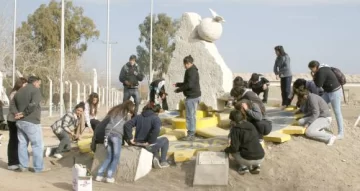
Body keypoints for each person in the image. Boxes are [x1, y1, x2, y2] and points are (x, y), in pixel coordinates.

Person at [95, 100, 135, 183]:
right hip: (116, 136)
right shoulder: (126, 114)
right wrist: (129, 139)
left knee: (109, 157)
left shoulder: (115, 111)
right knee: (116, 157)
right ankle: (109, 176)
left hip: (107, 134)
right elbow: (127, 127)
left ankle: (99, 175)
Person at [10, 76, 44, 173]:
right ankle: (38, 168)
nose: (39, 85)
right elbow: (33, 104)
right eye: (39, 83)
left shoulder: (19, 91)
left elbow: (12, 104)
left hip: (20, 122)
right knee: (37, 145)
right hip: (32, 122)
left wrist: (16, 113)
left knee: (22, 144)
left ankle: (23, 166)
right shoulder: (35, 90)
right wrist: (24, 113)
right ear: (35, 82)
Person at [124, 104, 170, 169]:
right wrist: (150, 141)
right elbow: (156, 130)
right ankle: (163, 161)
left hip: (136, 144)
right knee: (165, 140)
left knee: (155, 140)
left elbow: (127, 125)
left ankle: (155, 156)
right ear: (154, 111)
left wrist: (130, 138)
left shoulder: (138, 117)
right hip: (147, 146)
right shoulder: (156, 118)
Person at [308, 60, 344, 139]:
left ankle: (341, 134)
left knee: (337, 112)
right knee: (319, 106)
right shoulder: (322, 69)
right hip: (328, 92)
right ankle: (320, 126)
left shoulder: (321, 71)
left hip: (335, 92)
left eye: (311, 69)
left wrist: (314, 76)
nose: (311, 71)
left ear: (315, 67)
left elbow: (318, 84)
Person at [224, 109, 265, 175]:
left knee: (233, 152)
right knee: (252, 146)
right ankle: (257, 166)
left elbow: (234, 148)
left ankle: (243, 167)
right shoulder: (251, 125)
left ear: (233, 120)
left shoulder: (236, 130)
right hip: (261, 156)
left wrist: (226, 150)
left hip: (248, 158)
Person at [174, 55, 201, 141]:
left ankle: (191, 134)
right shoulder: (190, 70)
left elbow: (189, 85)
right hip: (193, 96)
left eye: (187, 64)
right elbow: (187, 83)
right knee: (191, 115)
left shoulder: (192, 71)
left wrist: (179, 90)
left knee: (190, 116)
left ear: (191, 63)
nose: (185, 65)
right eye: (184, 64)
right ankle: (192, 132)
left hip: (192, 97)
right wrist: (178, 84)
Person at [7, 77, 27, 170]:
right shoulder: (14, 94)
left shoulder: (22, 93)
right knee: (13, 141)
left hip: (19, 120)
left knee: (20, 141)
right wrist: (17, 114)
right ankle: (12, 162)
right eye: (25, 84)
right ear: (20, 84)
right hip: (13, 120)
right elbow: (12, 107)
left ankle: (18, 161)